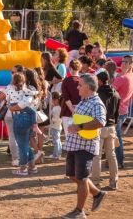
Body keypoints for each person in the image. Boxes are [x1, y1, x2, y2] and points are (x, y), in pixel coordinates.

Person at [62, 74, 107, 219]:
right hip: (75, 145)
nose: (77, 87)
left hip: (85, 147)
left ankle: (79, 211)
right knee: (73, 175)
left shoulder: (96, 103)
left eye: (80, 85)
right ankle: (97, 193)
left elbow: (100, 122)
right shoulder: (84, 100)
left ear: (88, 87)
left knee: (81, 179)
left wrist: (79, 126)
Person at [92, 71, 120, 190]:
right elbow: (117, 113)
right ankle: (114, 182)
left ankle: (96, 182)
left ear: (99, 81)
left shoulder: (97, 94)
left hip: (100, 127)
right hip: (112, 127)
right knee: (111, 155)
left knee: (97, 156)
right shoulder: (116, 93)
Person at [8, 73, 39, 176]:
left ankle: (23, 168)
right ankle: (32, 166)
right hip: (28, 117)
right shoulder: (27, 89)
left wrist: (11, 106)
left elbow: (11, 100)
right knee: (25, 144)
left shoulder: (11, 87)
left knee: (22, 146)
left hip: (19, 116)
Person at [112, 55, 133, 169]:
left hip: (118, 111)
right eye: (122, 61)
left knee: (116, 136)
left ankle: (119, 160)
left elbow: (110, 92)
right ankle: (115, 159)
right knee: (116, 135)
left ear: (130, 65)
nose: (123, 63)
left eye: (126, 62)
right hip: (124, 110)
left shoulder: (122, 78)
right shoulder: (130, 77)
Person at [61, 60, 82, 138]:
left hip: (68, 111)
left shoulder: (66, 81)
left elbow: (66, 97)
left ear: (70, 68)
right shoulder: (83, 80)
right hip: (81, 110)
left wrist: (73, 110)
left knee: (68, 135)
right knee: (79, 136)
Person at [49, 91, 63, 160]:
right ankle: (58, 153)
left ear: (56, 100)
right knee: (58, 140)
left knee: (56, 141)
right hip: (58, 126)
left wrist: (51, 118)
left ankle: (56, 154)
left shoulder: (56, 108)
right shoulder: (59, 107)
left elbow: (56, 118)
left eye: (52, 100)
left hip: (55, 126)